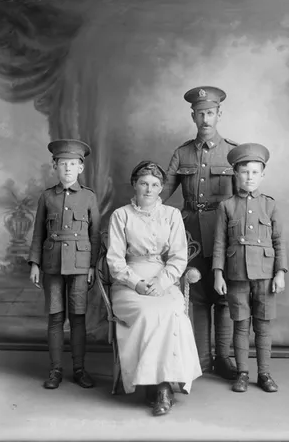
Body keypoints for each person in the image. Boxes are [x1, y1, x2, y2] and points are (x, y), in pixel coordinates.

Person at [106, 161, 202, 417]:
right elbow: (115, 260)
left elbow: (179, 257)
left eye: (155, 185)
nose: (149, 190)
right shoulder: (121, 215)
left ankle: (161, 386)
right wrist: (135, 282)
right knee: (148, 314)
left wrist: (161, 282)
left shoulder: (171, 215)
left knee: (172, 311)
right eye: (144, 184)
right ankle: (155, 385)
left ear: (161, 188)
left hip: (164, 279)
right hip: (129, 281)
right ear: (134, 185)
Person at [161, 86, 237, 379]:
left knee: (224, 295)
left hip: (223, 231)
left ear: (219, 114)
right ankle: (202, 360)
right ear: (193, 116)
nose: (205, 119)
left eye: (210, 113)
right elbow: (165, 190)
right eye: (200, 114)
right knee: (197, 294)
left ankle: (224, 358)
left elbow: (241, 198)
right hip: (190, 231)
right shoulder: (182, 153)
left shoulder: (232, 151)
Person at [212, 143, 288, 393]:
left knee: (263, 327)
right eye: (244, 172)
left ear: (262, 175)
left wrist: (279, 272)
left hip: (265, 276)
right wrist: (218, 274)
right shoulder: (227, 206)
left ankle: (264, 374)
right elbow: (220, 243)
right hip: (236, 275)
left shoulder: (270, 205)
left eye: (255, 172)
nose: (250, 177)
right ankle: (242, 372)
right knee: (241, 325)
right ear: (235, 174)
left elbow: (279, 242)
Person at [28, 139, 100, 390]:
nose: (67, 168)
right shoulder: (47, 197)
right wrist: (35, 263)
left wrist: (91, 266)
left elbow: (95, 234)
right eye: (62, 163)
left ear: (81, 168)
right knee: (55, 317)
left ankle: (79, 369)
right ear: (54, 166)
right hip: (52, 264)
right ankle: (55, 369)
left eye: (72, 164)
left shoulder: (89, 197)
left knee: (78, 317)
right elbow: (38, 232)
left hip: (80, 265)